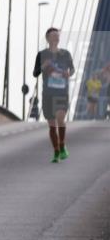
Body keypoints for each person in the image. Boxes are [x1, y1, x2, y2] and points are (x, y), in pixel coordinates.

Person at [32, 27, 75, 162]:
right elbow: (35, 73)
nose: (56, 37)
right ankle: (56, 152)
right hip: (48, 94)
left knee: (60, 119)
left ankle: (62, 145)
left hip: (62, 93)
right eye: (53, 35)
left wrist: (69, 73)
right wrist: (43, 66)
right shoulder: (42, 54)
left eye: (57, 35)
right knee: (52, 125)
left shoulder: (66, 54)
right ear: (48, 38)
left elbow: (72, 69)